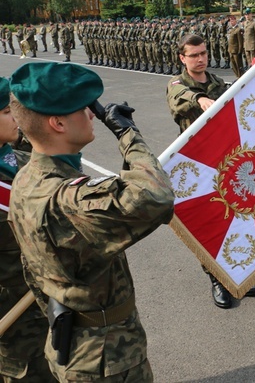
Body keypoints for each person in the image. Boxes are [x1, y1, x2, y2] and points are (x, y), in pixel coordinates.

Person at [8, 62, 174, 382]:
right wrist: (127, 134)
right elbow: (154, 196)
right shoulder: (67, 199)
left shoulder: (26, 176)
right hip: (105, 359)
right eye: (82, 108)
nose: (90, 114)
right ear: (57, 123)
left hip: (71, 341)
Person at [166, 34, 255, 307]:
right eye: (194, 55)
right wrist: (200, 99)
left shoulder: (217, 83)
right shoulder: (177, 84)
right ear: (182, 58)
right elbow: (179, 98)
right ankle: (217, 280)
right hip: (197, 169)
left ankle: (238, 276)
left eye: (203, 53)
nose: (201, 58)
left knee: (235, 220)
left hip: (224, 162)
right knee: (209, 226)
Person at [0, 77, 52, 382]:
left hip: (40, 306)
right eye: (7, 112)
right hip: (11, 322)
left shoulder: (17, 161)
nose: (16, 117)